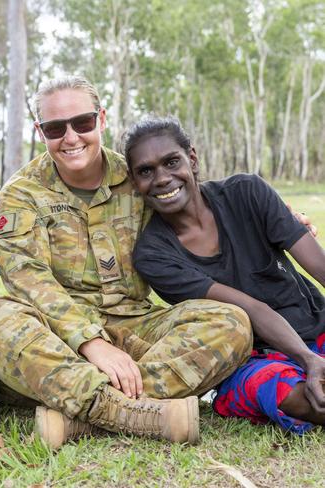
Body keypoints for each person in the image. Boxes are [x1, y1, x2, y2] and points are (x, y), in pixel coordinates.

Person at [0, 76, 254, 449]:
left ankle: (84, 414)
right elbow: (27, 277)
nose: (70, 138)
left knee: (231, 321)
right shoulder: (23, 192)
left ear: (101, 119)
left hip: (136, 328)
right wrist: (90, 343)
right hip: (56, 343)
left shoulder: (137, 177)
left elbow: (198, 205)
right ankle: (134, 412)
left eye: (82, 123)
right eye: (55, 128)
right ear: (40, 132)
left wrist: (272, 220)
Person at [126, 116, 325, 434]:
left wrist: (316, 356)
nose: (162, 178)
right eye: (145, 171)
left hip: (318, 330)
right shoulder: (153, 255)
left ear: (191, 158)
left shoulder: (247, 193)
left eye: (171, 162)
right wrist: (308, 360)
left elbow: (319, 266)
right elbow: (251, 308)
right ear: (134, 182)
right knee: (294, 395)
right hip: (252, 360)